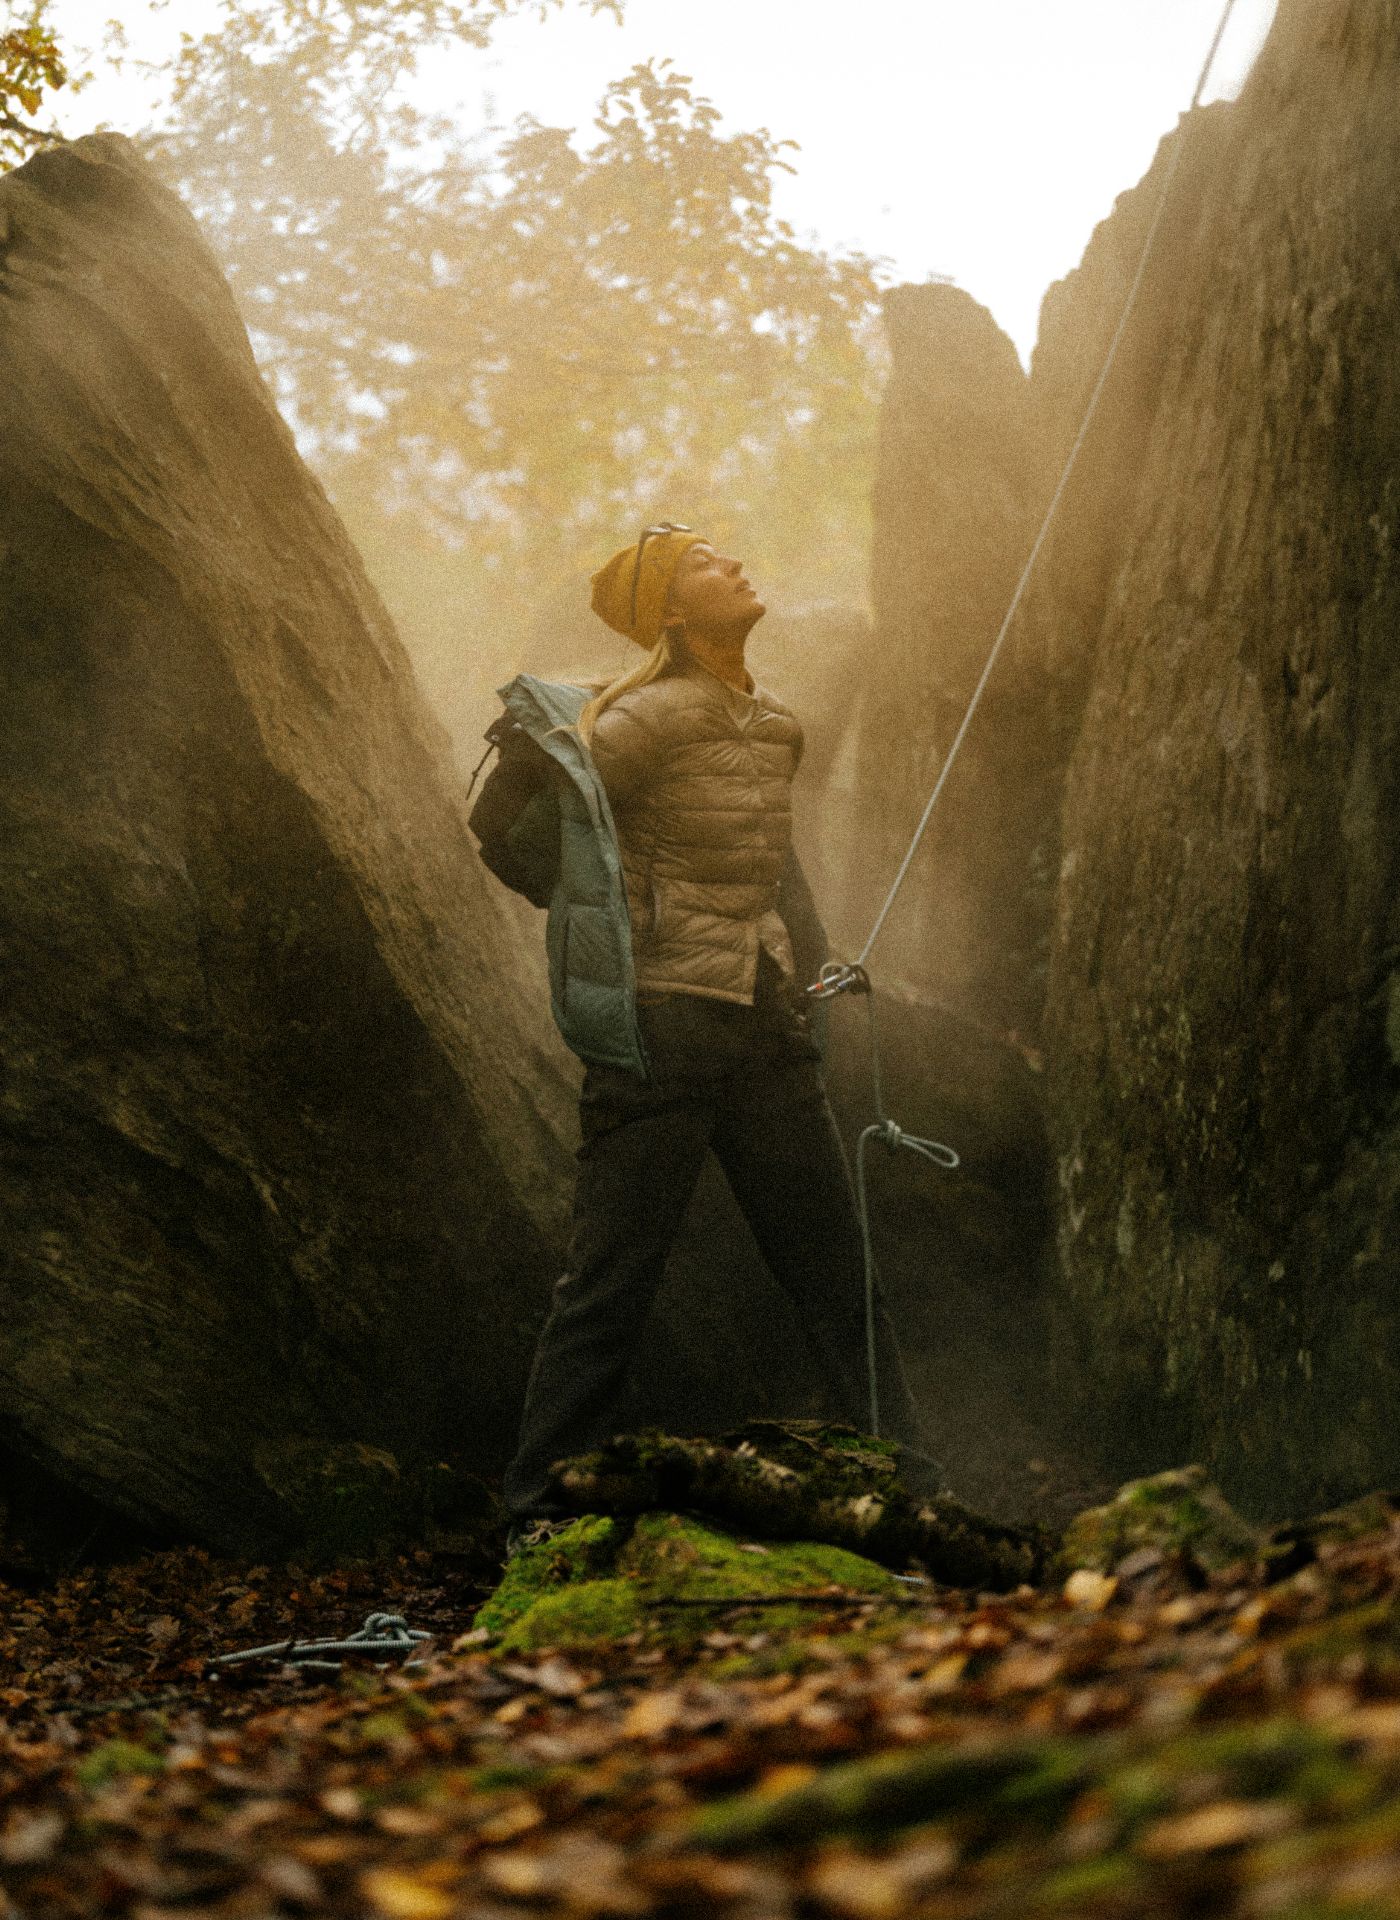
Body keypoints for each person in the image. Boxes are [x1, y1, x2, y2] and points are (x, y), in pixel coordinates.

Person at [490, 524, 936, 1550]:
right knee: (608, 1281)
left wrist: (815, 968)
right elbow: (510, 836)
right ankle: (535, 1510)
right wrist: (608, 922)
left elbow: (777, 865)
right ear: (672, 614)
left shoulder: (774, 724)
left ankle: (915, 1493)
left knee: (834, 1272)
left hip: (762, 1029)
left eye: (725, 554)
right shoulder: (636, 720)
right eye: (702, 564)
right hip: (660, 1032)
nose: (731, 564)